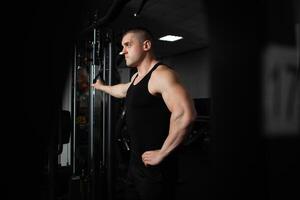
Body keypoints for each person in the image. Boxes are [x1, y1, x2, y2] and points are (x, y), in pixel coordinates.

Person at [91, 27, 197, 200]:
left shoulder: (162, 75)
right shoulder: (136, 78)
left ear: (146, 45)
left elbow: (185, 113)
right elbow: (122, 90)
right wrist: (101, 87)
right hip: (136, 164)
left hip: (156, 168)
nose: (122, 50)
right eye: (122, 46)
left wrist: (162, 153)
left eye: (128, 45)